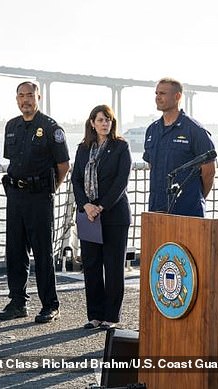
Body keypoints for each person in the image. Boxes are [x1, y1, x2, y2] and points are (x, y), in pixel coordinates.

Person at [0, 81, 70, 324]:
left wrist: (49, 189)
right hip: (16, 196)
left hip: (39, 197)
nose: (25, 100)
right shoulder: (12, 126)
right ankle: (18, 302)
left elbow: (63, 166)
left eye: (29, 95)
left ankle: (50, 305)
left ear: (38, 97)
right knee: (15, 251)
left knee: (42, 253)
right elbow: (13, 160)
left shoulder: (50, 128)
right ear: (16, 99)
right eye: (21, 96)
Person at [71, 105, 132, 330]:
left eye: (108, 120)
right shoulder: (83, 148)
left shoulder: (120, 147)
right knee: (92, 266)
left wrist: (101, 206)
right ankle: (94, 315)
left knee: (114, 267)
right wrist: (86, 205)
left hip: (114, 216)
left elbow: (120, 182)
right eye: (100, 120)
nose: (105, 123)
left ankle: (111, 316)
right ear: (92, 123)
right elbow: (76, 179)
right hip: (89, 216)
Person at [143, 77, 216, 216]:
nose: (158, 97)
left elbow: (209, 172)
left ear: (177, 96)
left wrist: (194, 199)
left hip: (187, 212)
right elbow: (152, 166)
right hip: (157, 209)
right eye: (156, 93)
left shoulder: (195, 130)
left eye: (163, 93)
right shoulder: (152, 130)